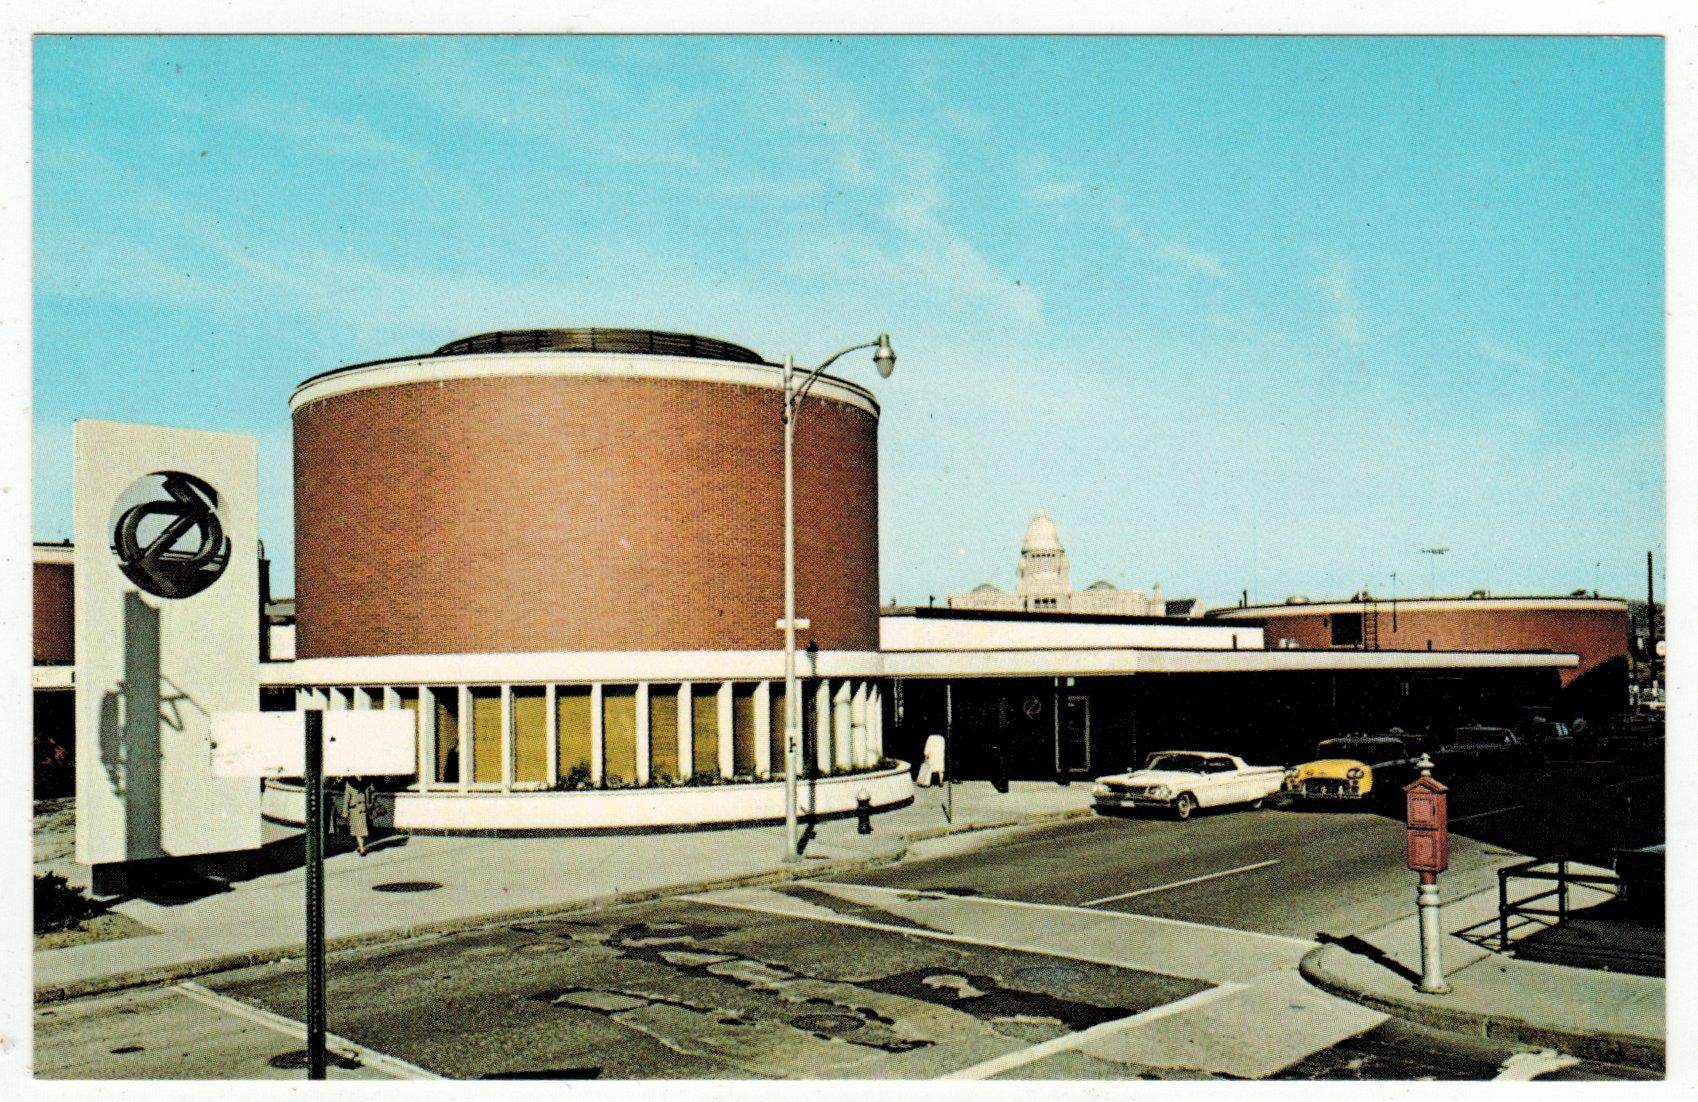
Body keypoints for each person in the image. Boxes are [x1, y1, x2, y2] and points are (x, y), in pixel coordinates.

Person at [342, 778, 372, 856]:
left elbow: (346, 798)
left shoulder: (350, 783)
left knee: (360, 829)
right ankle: (362, 848)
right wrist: (345, 811)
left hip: (358, 808)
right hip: (358, 808)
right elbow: (347, 797)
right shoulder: (366, 781)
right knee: (359, 829)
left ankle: (361, 846)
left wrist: (345, 811)